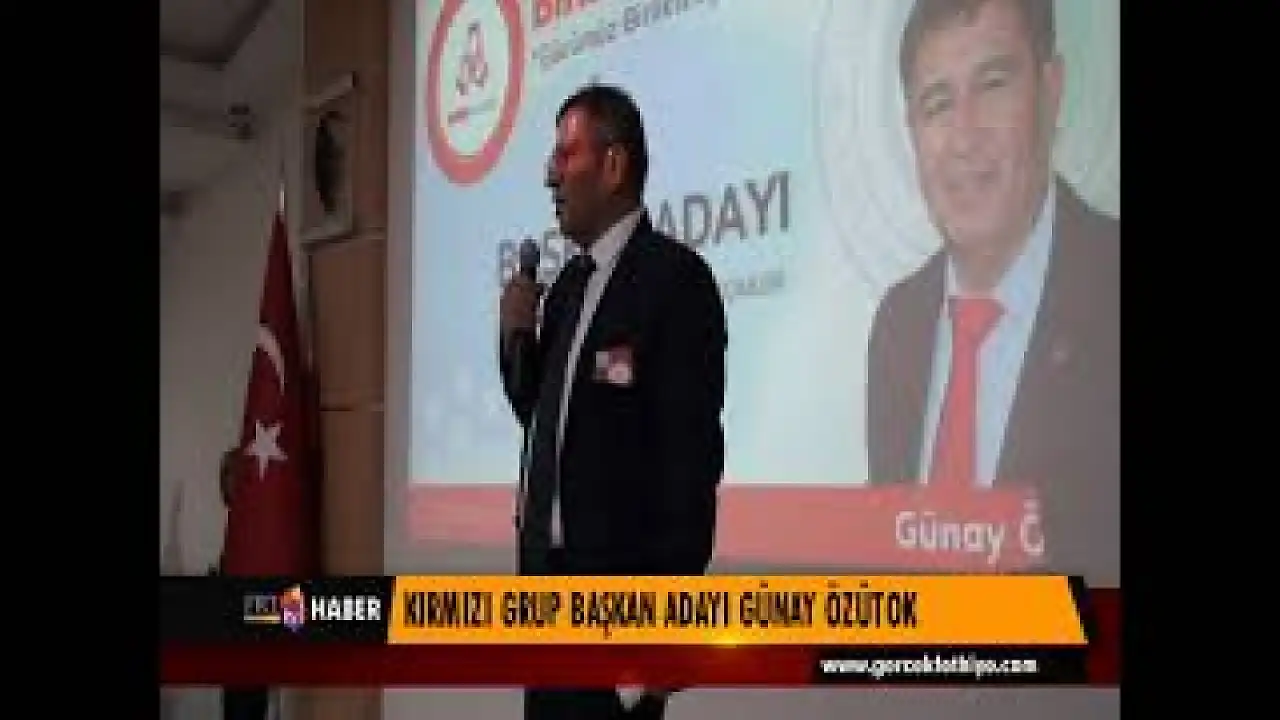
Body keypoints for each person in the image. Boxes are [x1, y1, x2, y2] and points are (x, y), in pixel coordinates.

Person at [866, 0, 1119, 579]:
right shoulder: (897, 325)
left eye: (993, 85)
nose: (964, 136)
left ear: (1050, 92)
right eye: (938, 104)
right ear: (913, 134)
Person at [498, 84, 728, 720]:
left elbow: (690, 466)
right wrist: (515, 331)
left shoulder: (674, 281)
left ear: (614, 165)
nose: (550, 175)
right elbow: (538, 415)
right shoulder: (567, 288)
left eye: (565, 154)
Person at [211, 448, 272, 720]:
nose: (230, 486)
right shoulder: (235, 531)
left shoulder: (259, 532)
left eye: (236, 477)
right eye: (227, 478)